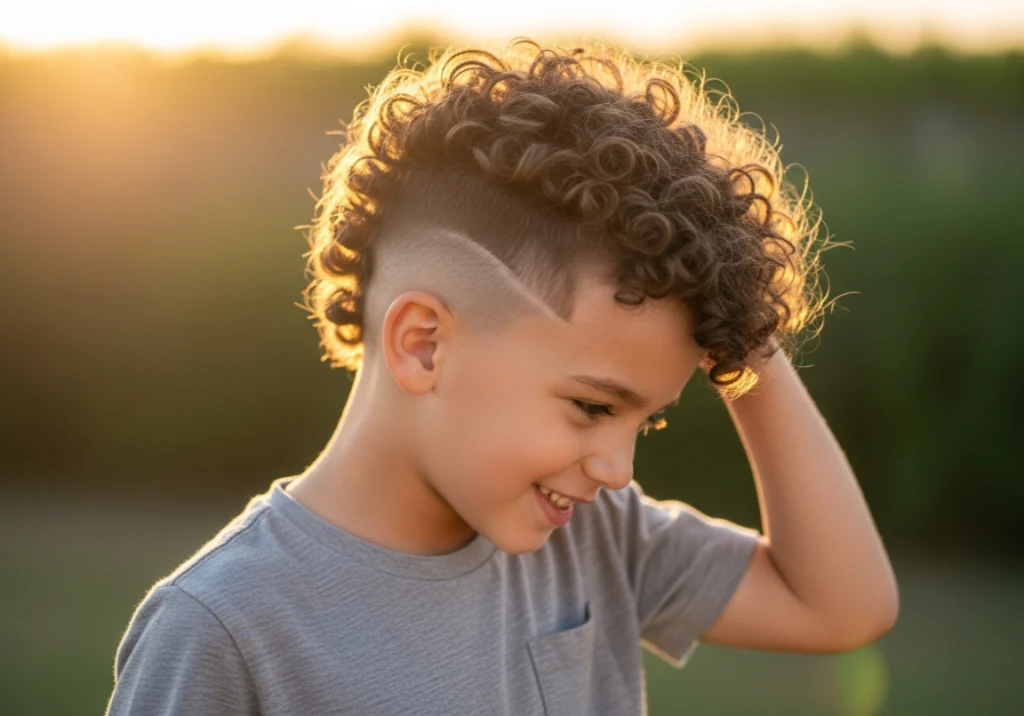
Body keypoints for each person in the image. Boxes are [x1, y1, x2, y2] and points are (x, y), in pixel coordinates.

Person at [104, 37, 899, 715]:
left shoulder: (596, 540)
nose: (618, 471)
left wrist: (741, 331)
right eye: (593, 407)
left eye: (648, 420)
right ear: (423, 346)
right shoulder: (223, 629)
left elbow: (841, 606)